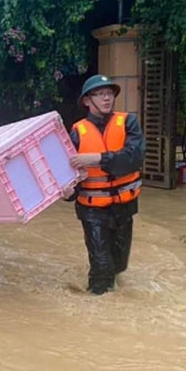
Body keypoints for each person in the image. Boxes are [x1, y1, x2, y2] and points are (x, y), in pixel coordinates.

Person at [61, 74, 145, 295]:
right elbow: (70, 174)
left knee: (119, 265)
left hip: (124, 207)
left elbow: (133, 158)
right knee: (102, 268)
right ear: (87, 101)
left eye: (109, 94)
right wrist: (68, 193)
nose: (107, 98)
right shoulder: (77, 132)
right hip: (92, 210)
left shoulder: (128, 122)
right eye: (100, 94)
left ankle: (111, 300)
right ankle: (95, 307)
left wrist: (97, 158)